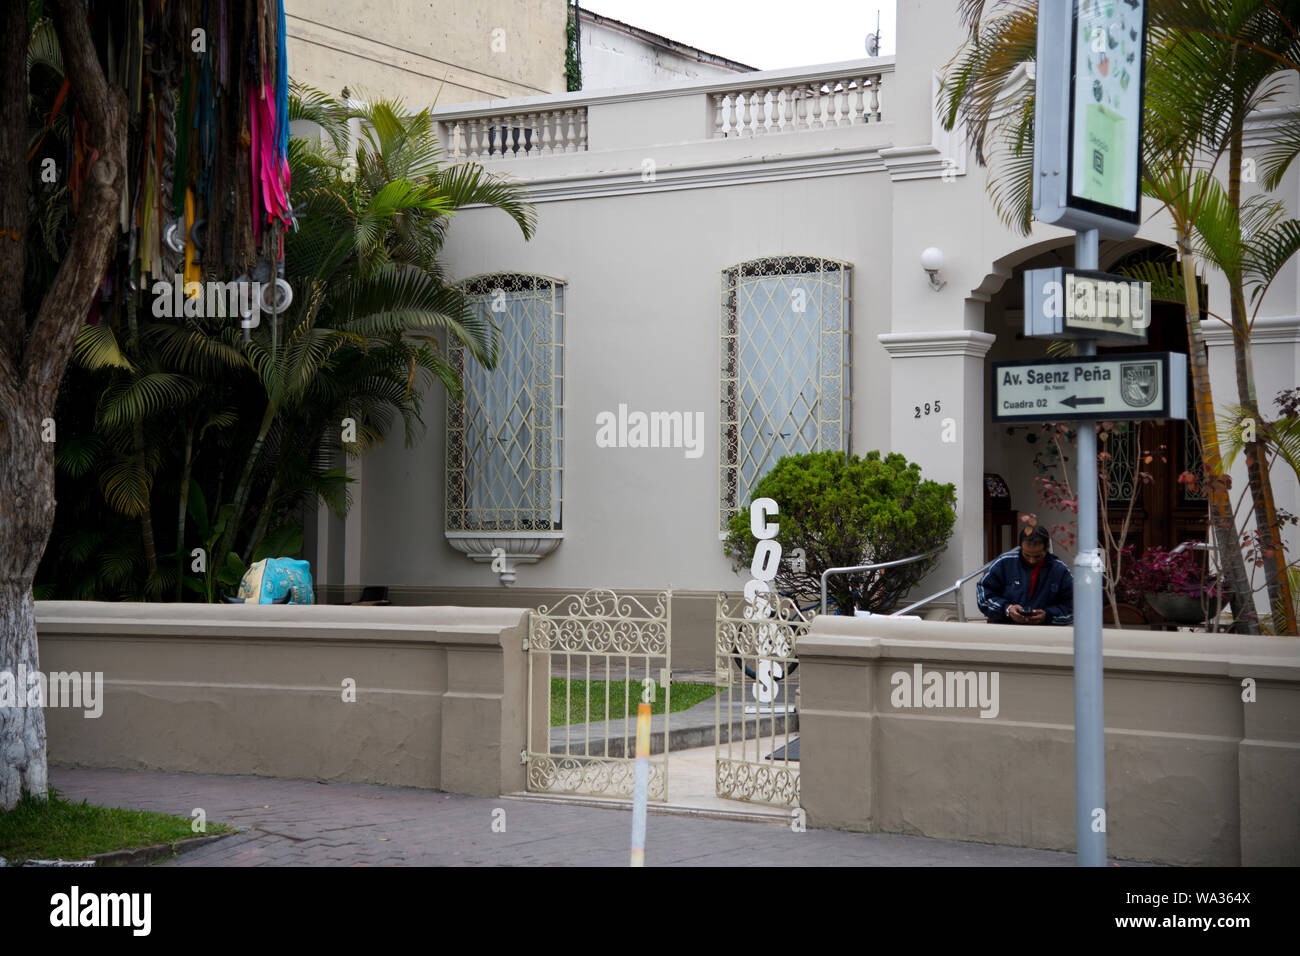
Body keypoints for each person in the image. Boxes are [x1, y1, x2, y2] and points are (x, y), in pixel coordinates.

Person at [976, 525, 1073, 625]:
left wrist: (1048, 615)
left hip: (1045, 633)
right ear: (1020, 547)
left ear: (1047, 547)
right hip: (1006, 630)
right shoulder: (1004, 563)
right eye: (1027, 555)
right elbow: (984, 594)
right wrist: (1007, 609)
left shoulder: (1060, 570)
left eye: (1037, 556)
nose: (1032, 560)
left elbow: (1074, 607)